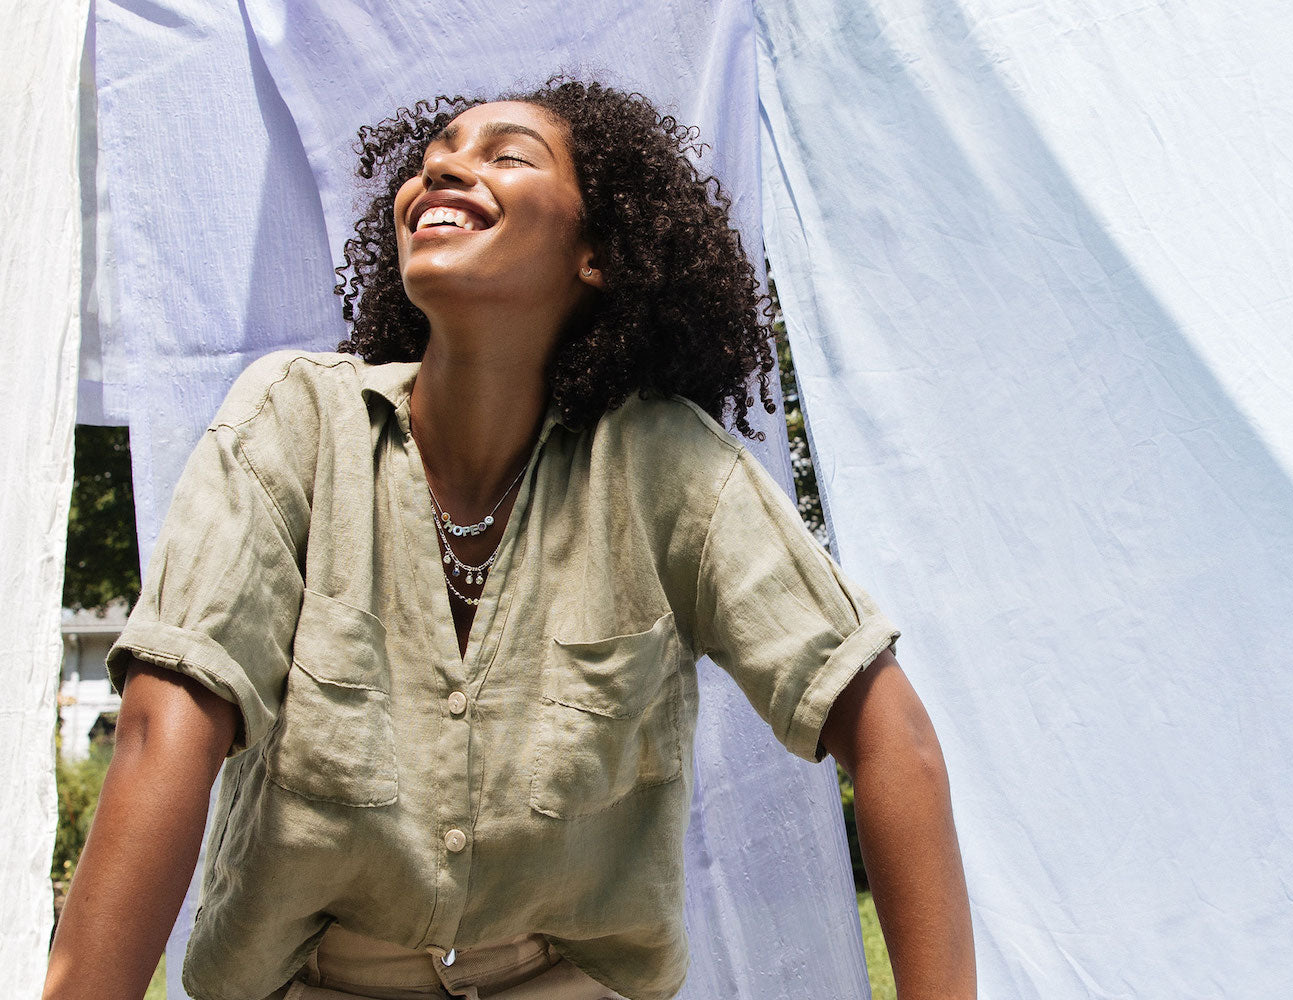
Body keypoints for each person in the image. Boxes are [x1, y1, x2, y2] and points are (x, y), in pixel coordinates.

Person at [42, 78, 975, 1000]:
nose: (444, 170)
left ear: (596, 255)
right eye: (436, 157)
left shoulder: (669, 469)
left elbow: (890, 735)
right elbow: (166, 730)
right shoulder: (293, 425)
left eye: (507, 155)